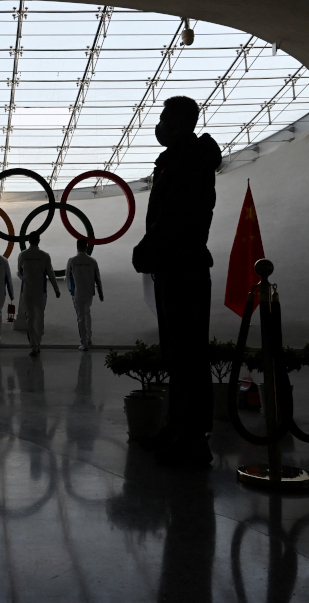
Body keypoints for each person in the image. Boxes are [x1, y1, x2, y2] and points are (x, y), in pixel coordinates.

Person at [131, 95, 222, 467]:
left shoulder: (189, 161)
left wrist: (148, 247)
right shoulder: (179, 160)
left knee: (188, 355)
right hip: (174, 265)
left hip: (184, 265)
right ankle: (178, 426)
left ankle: (193, 438)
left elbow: (179, 217)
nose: (160, 125)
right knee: (177, 354)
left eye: (165, 118)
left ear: (182, 123)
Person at [16, 231, 59, 356]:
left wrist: (24, 279)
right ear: (38, 240)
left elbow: (19, 272)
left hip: (27, 290)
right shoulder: (44, 255)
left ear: (29, 240)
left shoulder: (23, 255)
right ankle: (38, 343)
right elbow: (50, 273)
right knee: (40, 317)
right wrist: (56, 289)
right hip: (41, 291)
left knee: (30, 317)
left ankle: (33, 345)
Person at [65, 238, 104, 350]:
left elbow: (68, 278)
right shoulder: (92, 261)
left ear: (77, 247)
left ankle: (84, 343)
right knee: (87, 313)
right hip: (89, 293)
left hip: (77, 293)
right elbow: (97, 278)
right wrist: (100, 293)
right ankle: (89, 337)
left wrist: (70, 290)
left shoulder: (72, 261)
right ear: (86, 247)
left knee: (80, 317)